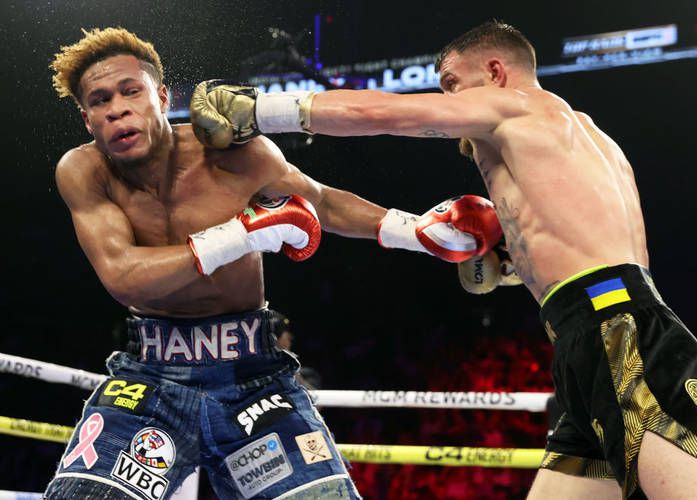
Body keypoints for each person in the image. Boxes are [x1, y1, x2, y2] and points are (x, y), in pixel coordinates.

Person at [191, 20, 697, 499]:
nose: (449, 101)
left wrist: (260, 110)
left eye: (452, 84)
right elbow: (596, 249)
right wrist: (509, 265)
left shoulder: (517, 106)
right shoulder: (586, 138)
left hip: (616, 335)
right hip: (591, 331)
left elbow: (385, 113)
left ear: (496, 72)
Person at [45, 27, 503, 500]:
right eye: (100, 100)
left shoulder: (233, 157)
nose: (117, 108)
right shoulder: (84, 171)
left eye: (131, 91)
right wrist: (240, 234)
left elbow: (322, 202)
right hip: (149, 379)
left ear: (161, 97)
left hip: (253, 380)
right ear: (87, 119)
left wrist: (416, 232)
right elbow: (124, 276)